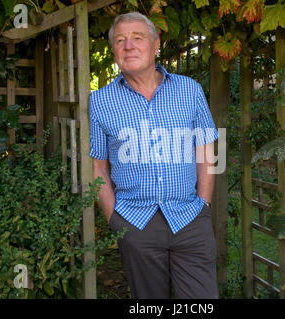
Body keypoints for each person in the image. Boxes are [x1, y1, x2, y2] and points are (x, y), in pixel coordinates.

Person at [89, 11, 219, 299]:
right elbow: (97, 166)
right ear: (114, 50)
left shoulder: (190, 90)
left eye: (138, 38)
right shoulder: (100, 101)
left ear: (156, 44)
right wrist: (115, 219)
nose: (129, 46)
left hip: (190, 218)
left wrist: (204, 204)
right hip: (135, 223)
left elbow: (207, 149)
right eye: (120, 40)